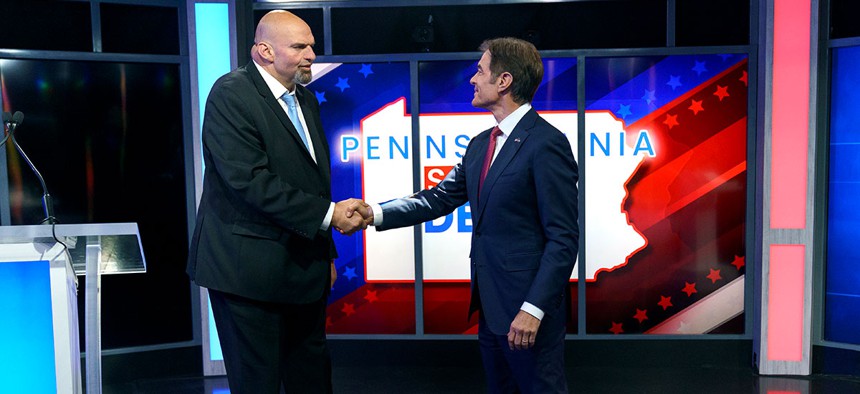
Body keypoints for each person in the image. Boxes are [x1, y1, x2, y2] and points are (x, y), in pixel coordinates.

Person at [354, 37, 579, 393]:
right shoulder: (479, 145)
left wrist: (533, 309)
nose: (473, 79)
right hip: (491, 310)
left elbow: (563, 238)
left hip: (527, 314)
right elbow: (438, 199)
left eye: (480, 71)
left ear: (504, 81)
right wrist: (374, 212)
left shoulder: (546, 143)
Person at [186, 10, 368, 394]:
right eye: (299, 47)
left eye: (312, 46)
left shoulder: (305, 99)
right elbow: (249, 182)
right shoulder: (231, 93)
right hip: (247, 273)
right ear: (265, 50)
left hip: (303, 270)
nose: (311, 56)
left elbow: (313, 182)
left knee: (312, 379)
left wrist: (326, 254)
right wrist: (330, 215)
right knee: (258, 384)